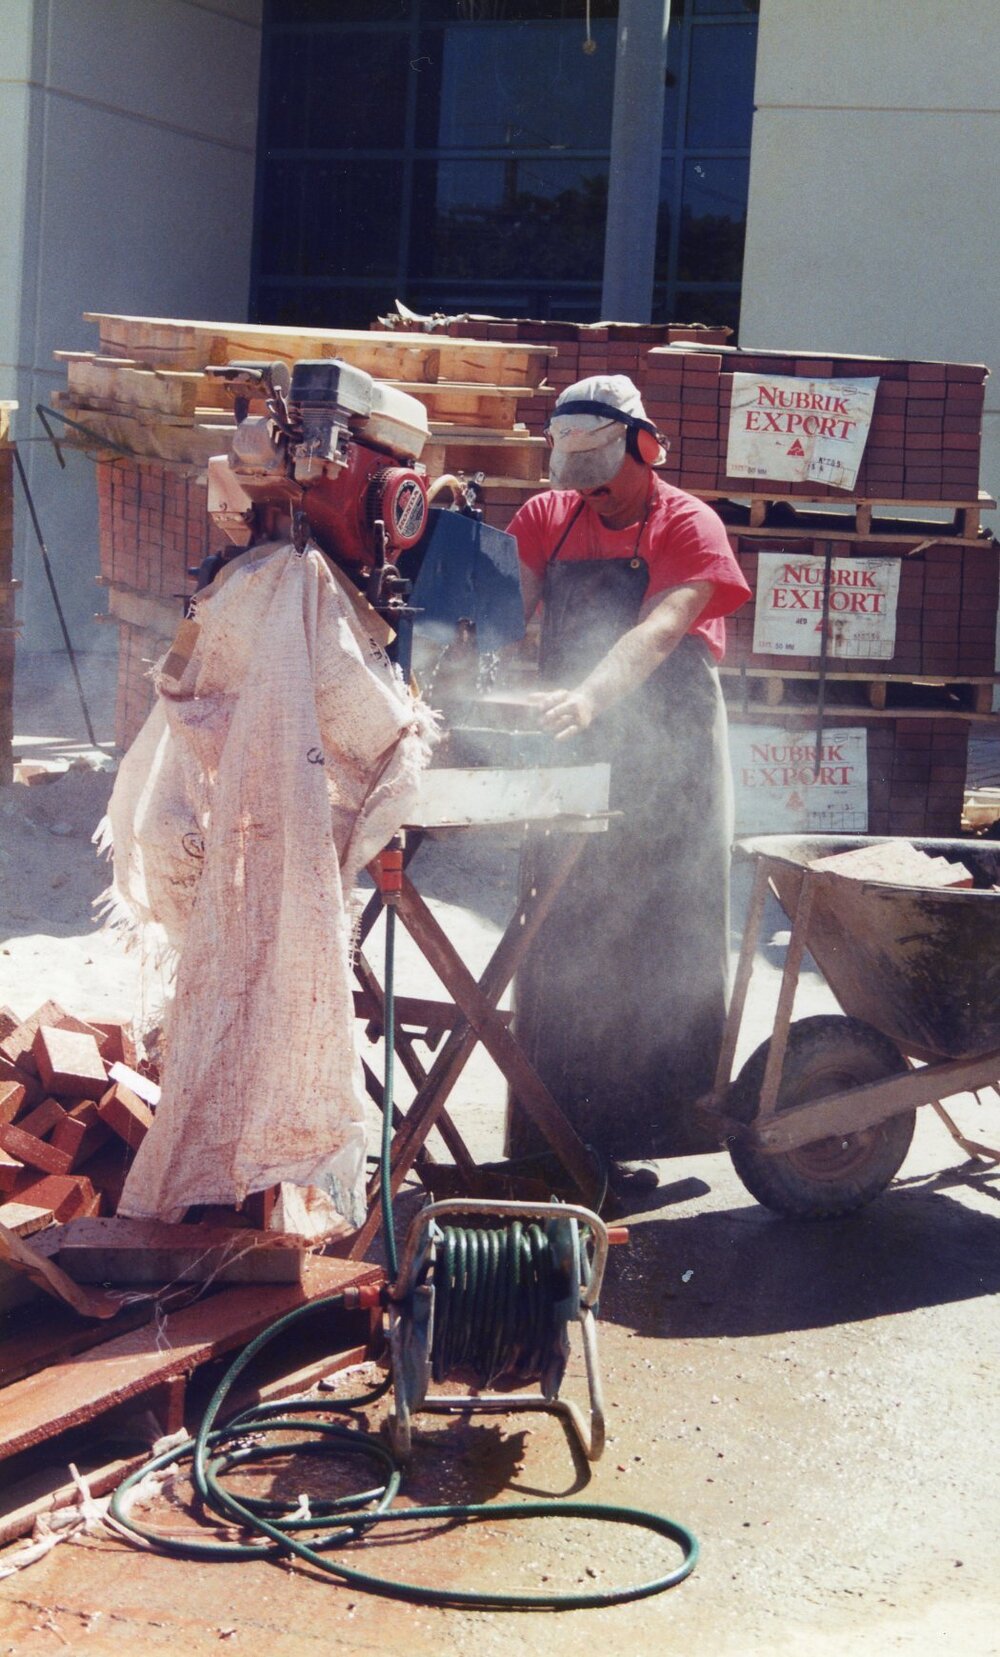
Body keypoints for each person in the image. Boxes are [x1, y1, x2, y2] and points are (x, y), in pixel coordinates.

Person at [505, 373, 751, 1196]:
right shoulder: (548, 517)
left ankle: (655, 1139)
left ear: (645, 448)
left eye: (606, 479)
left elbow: (659, 630)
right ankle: (558, 1148)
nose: (596, 499)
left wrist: (589, 694)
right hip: (572, 749)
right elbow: (509, 613)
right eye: (579, 482)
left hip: (670, 754)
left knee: (658, 939)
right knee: (561, 934)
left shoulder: (689, 523)